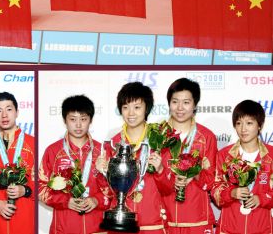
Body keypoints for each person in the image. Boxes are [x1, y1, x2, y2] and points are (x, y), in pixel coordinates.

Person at [98, 82, 168, 233]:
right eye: (125, 107)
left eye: (137, 107)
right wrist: (101, 173)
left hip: (152, 223)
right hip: (120, 224)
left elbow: (169, 189)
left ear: (147, 108)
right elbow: (107, 192)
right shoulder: (113, 144)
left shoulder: (159, 140)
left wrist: (161, 170)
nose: (131, 113)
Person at [39, 94, 113, 234]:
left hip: (97, 229)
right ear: (64, 120)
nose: (78, 125)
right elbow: (40, 187)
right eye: (73, 119)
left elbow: (114, 189)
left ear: (90, 120)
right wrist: (65, 201)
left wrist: (97, 200)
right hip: (63, 228)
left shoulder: (102, 151)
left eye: (83, 119)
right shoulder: (53, 151)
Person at [151, 78, 217, 234]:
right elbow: (150, 179)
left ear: (195, 105)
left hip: (197, 218)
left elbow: (212, 181)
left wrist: (194, 174)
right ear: (169, 104)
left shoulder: (206, 137)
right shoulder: (157, 135)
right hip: (163, 218)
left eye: (186, 102)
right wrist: (165, 175)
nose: (180, 108)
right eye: (175, 102)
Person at [212, 100, 273, 234]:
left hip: (262, 228)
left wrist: (261, 199)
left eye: (249, 123)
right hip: (228, 228)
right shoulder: (224, 155)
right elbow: (215, 190)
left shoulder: (271, 156)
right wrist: (231, 193)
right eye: (239, 123)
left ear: (260, 126)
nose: (243, 129)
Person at [0, 92, 35, 234]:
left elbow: (45, 182)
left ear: (17, 112)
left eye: (9, 109)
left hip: (25, 224)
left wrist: (26, 190)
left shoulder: (34, 144)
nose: (4, 115)